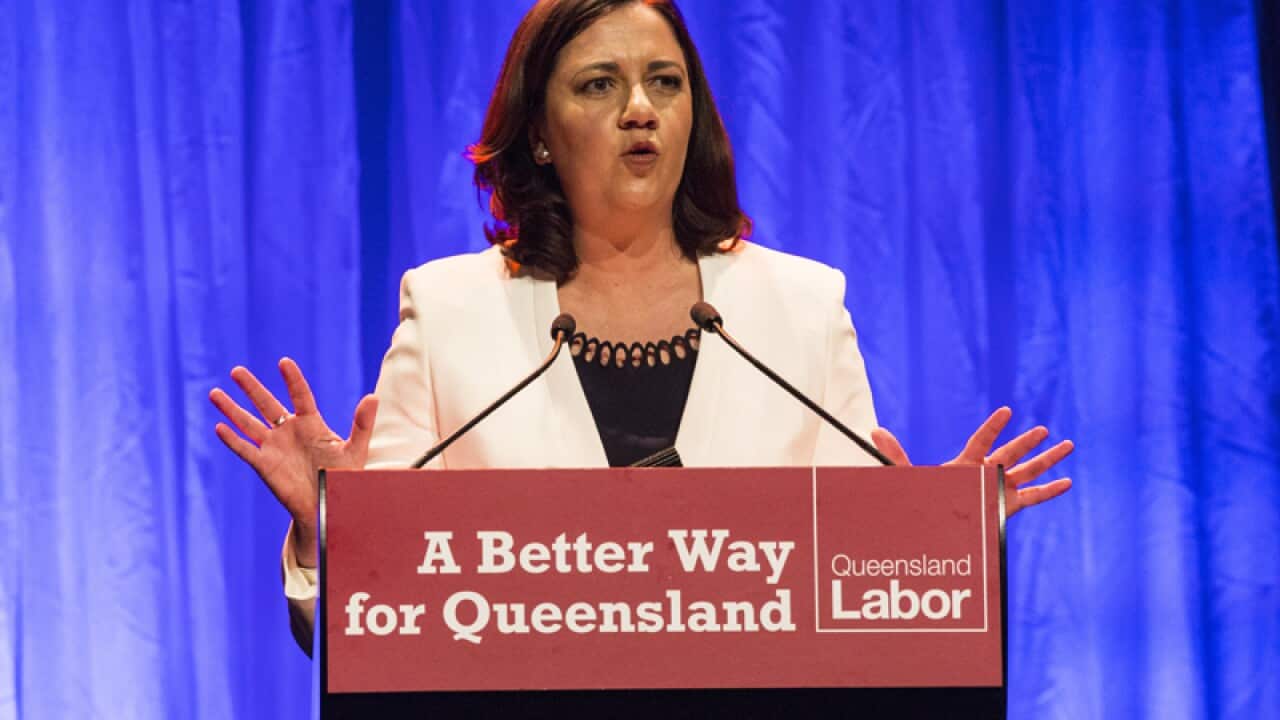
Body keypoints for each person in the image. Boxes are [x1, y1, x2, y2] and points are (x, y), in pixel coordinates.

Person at [209, 0, 1074, 653]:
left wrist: (931, 543)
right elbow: (375, 635)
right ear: (541, 134)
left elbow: (851, 600)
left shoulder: (802, 307)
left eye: (665, 81)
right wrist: (333, 538)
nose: (640, 108)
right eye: (600, 84)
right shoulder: (449, 311)